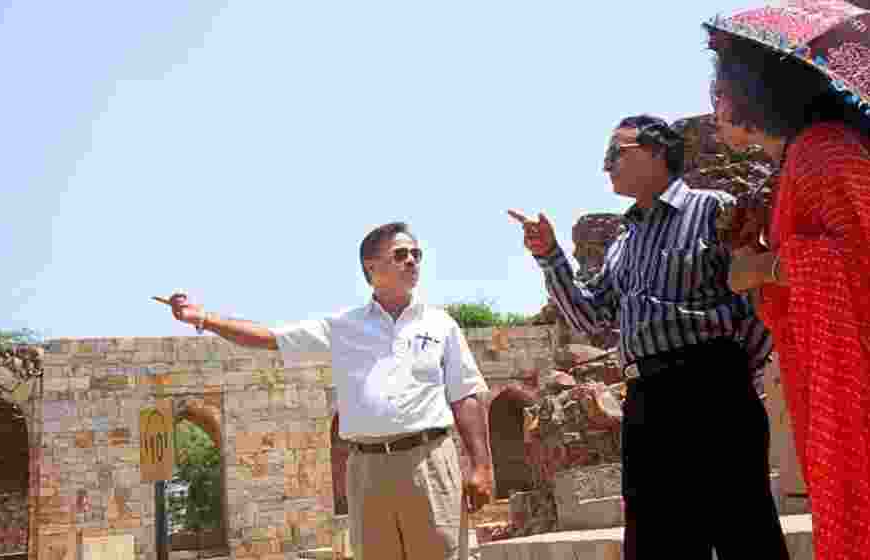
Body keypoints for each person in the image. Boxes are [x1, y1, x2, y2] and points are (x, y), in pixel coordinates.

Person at [509, 115, 788, 559]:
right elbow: (589, 317)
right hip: (645, 401)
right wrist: (550, 256)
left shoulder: (714, 210)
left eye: (615, 153)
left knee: (743, 532)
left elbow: (760, 301)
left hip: (714, 391)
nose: (606, 165)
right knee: (656, 542)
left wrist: (733, 368)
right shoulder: (625, 239)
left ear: (658, 152)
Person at [157, 222, 492, 560]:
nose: (412, 261)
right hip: (368, 469)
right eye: (400, 254)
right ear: (371, 268)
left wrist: (482, 466)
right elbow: (268, 338)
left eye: (416, 254)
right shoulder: (345, 327)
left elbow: (465, 395)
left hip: (429, 460)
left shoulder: (440, 324)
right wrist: (202, 318)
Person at [710, 33, 870, 558]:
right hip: (826, 381)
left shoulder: (823, 151)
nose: (714, 104)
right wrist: (756, 252)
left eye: (720, 88)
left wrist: (764, 266)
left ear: (754, 89)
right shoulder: (801, 158)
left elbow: (859, 260)